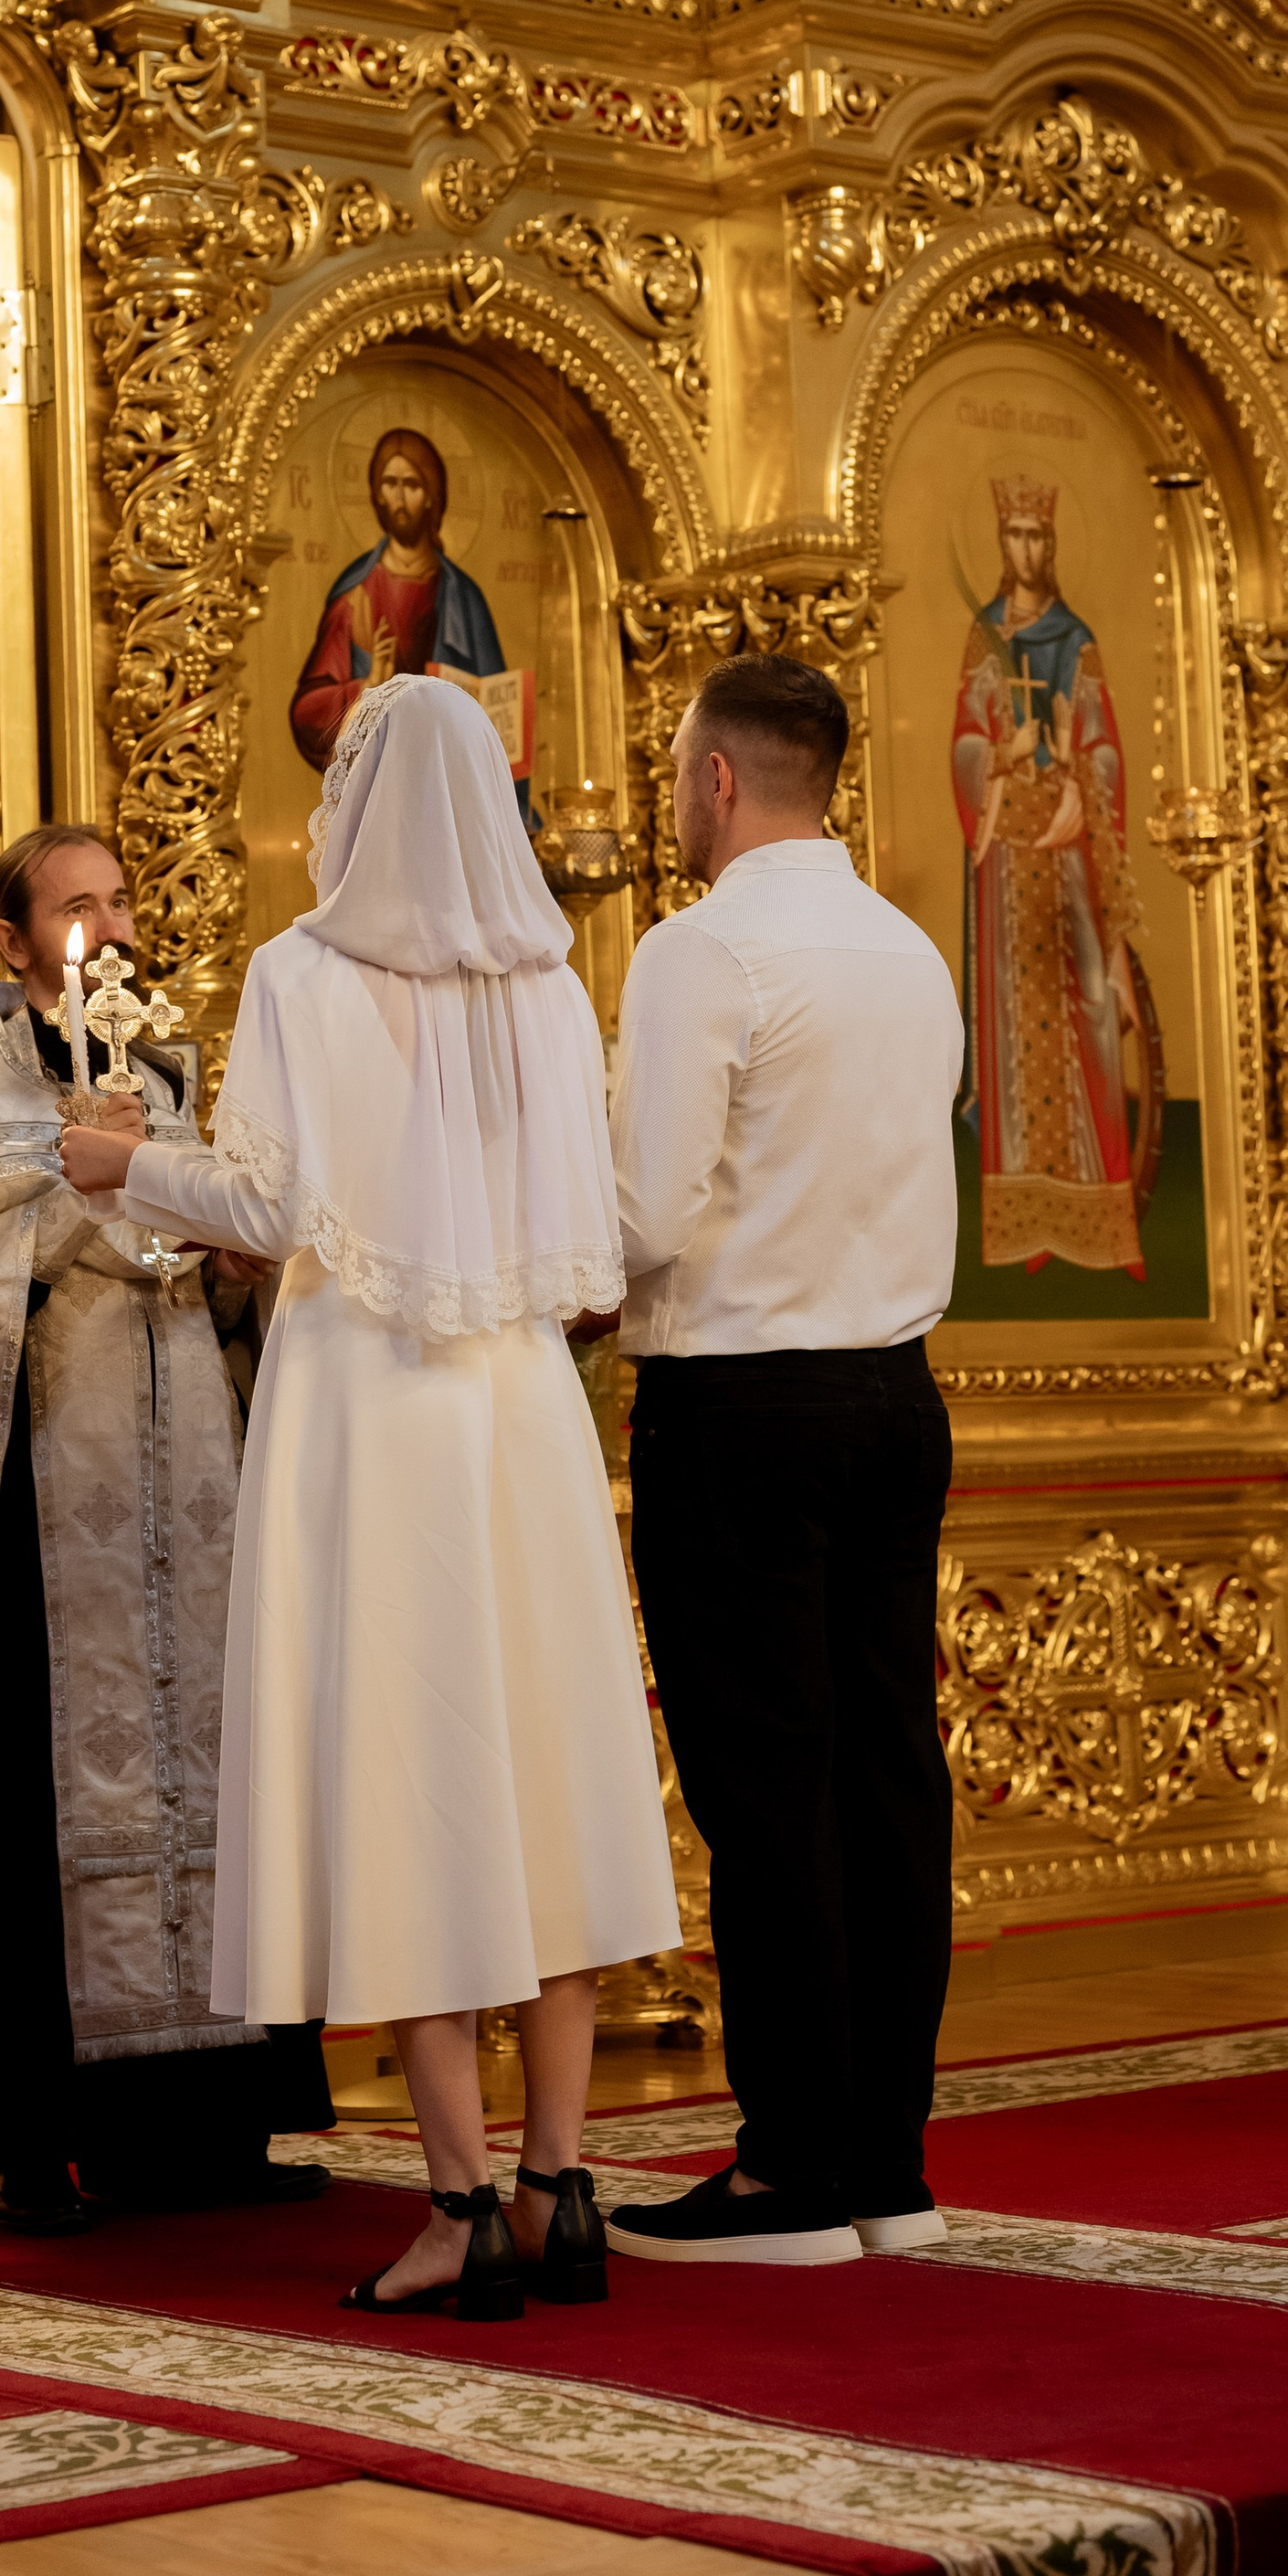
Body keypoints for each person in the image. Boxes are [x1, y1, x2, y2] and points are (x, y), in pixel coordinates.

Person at [63, 679, 680, 2320]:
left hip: (371, 1405)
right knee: (541, 1780)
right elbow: (581, 1222)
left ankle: (463, 2201)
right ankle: (562, 2179)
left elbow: (275, 1198)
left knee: (414, 1785)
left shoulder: (301, 970)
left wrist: (124, 1165)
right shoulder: (550, 982)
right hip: (520, 1407)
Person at [0, 821, 333, 2231]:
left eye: (121, 899)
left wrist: (223, 1254)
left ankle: (222, 2122)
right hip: (44, 1495)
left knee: (223, 1775)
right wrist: (72, 1186)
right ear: (13, 943)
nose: (110, 926)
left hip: (190, 1487)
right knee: (40, 1793)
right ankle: (39, 2132)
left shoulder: (172, 1069)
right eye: (75, 908)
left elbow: (230, 1258)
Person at [598, 655, 966, 2267]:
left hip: (742, 1409)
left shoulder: (699, 952)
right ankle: (885, 2155)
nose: (676, 797)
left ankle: (790, 2169)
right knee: (888, 1777)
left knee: (769, 1790)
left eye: (680, 771)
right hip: (895, 1396)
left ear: (722, 780)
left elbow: (645, 1218)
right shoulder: (908, 947)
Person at [952, 472, 1145, 1277]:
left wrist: (1074, 765)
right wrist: (1001, 756)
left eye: (1037, 535)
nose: (1025, 549)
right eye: (1014, 536)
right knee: (1012, 1028)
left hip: (1070, 853)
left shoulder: (1078, 641)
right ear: (1001, 544)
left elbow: (1106, 750)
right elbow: (963, 744)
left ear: (1052, 544)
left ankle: (1105, 1219)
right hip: (1006, 866)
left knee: (1089, 1017)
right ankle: (1027, 1224)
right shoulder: (983, 640)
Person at [289, 426, 507, 773]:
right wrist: (367, 687)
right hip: (381, 779)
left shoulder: (463, 596)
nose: (401, 498)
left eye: (413, 485)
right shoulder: (355, 595)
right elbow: (307, 712)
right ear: (377, 494)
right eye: (390, 484)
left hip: (450, 776)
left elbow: (500, 712)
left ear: (432, 495)